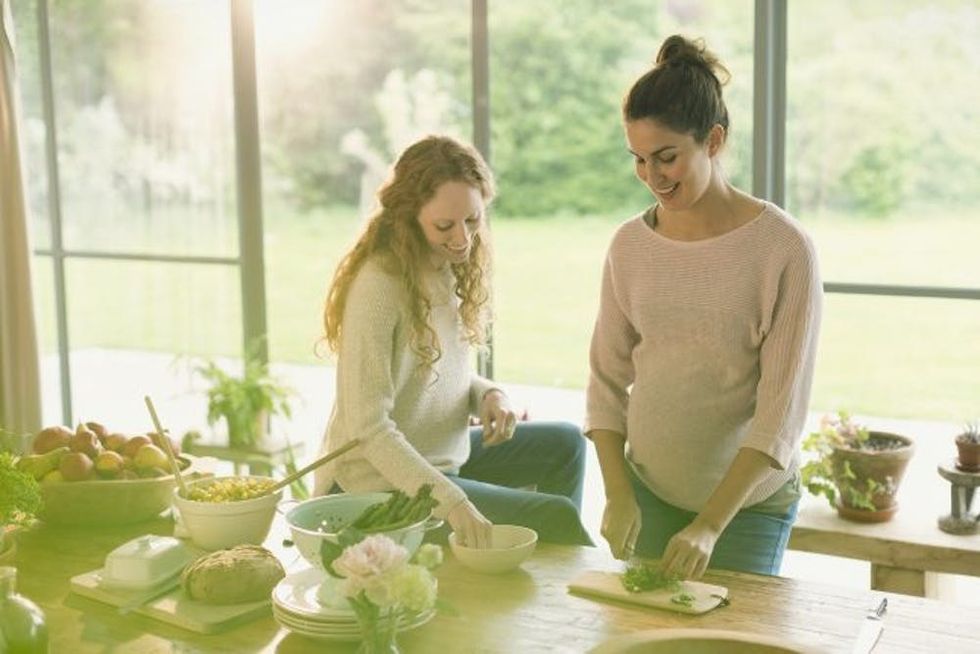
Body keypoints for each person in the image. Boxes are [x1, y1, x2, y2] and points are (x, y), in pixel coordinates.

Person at [585, 35, 822, 579]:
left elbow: (779, 415)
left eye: (667, 157)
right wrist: (618, 493)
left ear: (713, 141)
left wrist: (711, 525)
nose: (653, 177)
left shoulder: (784, 249)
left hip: (748, 508)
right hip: (649, 491)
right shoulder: (629, 246)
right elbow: (605, 380)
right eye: (639, 161)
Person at [314, 135, 593, 548]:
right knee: (553, 517)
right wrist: (453, 502)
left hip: (439, 461)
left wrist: (488, 394)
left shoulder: (444, 267)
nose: (463, 238)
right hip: (373, 484)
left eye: (473, 220)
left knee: (566, 445)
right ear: (408, 216)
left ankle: (521, 569)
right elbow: (368, 428)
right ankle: (558, 586)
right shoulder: (379, 285)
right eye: (445, 226)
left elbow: (436, 374)